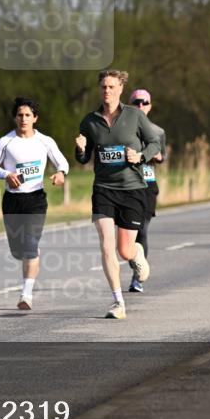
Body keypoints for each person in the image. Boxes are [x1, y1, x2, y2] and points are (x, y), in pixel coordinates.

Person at [74, 70, 161, 320]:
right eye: (103, 87)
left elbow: (154, 141)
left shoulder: (134, 115)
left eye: (112, 86)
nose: (107, 91)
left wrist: (141, 156)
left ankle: (136, 255)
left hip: (132, 189)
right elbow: (83, 158)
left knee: (124, 249)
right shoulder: (90, 121)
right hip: (103, 189)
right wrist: (79, 149)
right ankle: (117, 301)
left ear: (121, 89)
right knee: (105, 246)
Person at [0, 97, 69, 310]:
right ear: (15, 118)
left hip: (35, 199)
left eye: (28, 115)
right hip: (12, 200)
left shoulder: (45, 141)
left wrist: (60, 174)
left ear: (35, 118)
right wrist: (6, 174)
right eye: (20, 115)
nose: (24, 119)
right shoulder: (6, 142)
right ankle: (28, 259)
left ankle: (26, 295)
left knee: (30, 245)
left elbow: (63, 162)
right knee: (18, 251)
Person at [127, 88, 166, 293]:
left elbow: (163, 156)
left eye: (144, 103)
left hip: (148, 184)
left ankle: (137, 278)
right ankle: (136, 265)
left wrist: (157, 156)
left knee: (142, 230)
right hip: (127, 185)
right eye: (136, 103)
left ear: (150, 106)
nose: (140, 106)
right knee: (127, 236)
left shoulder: (158, 132)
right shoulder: (123, 129)